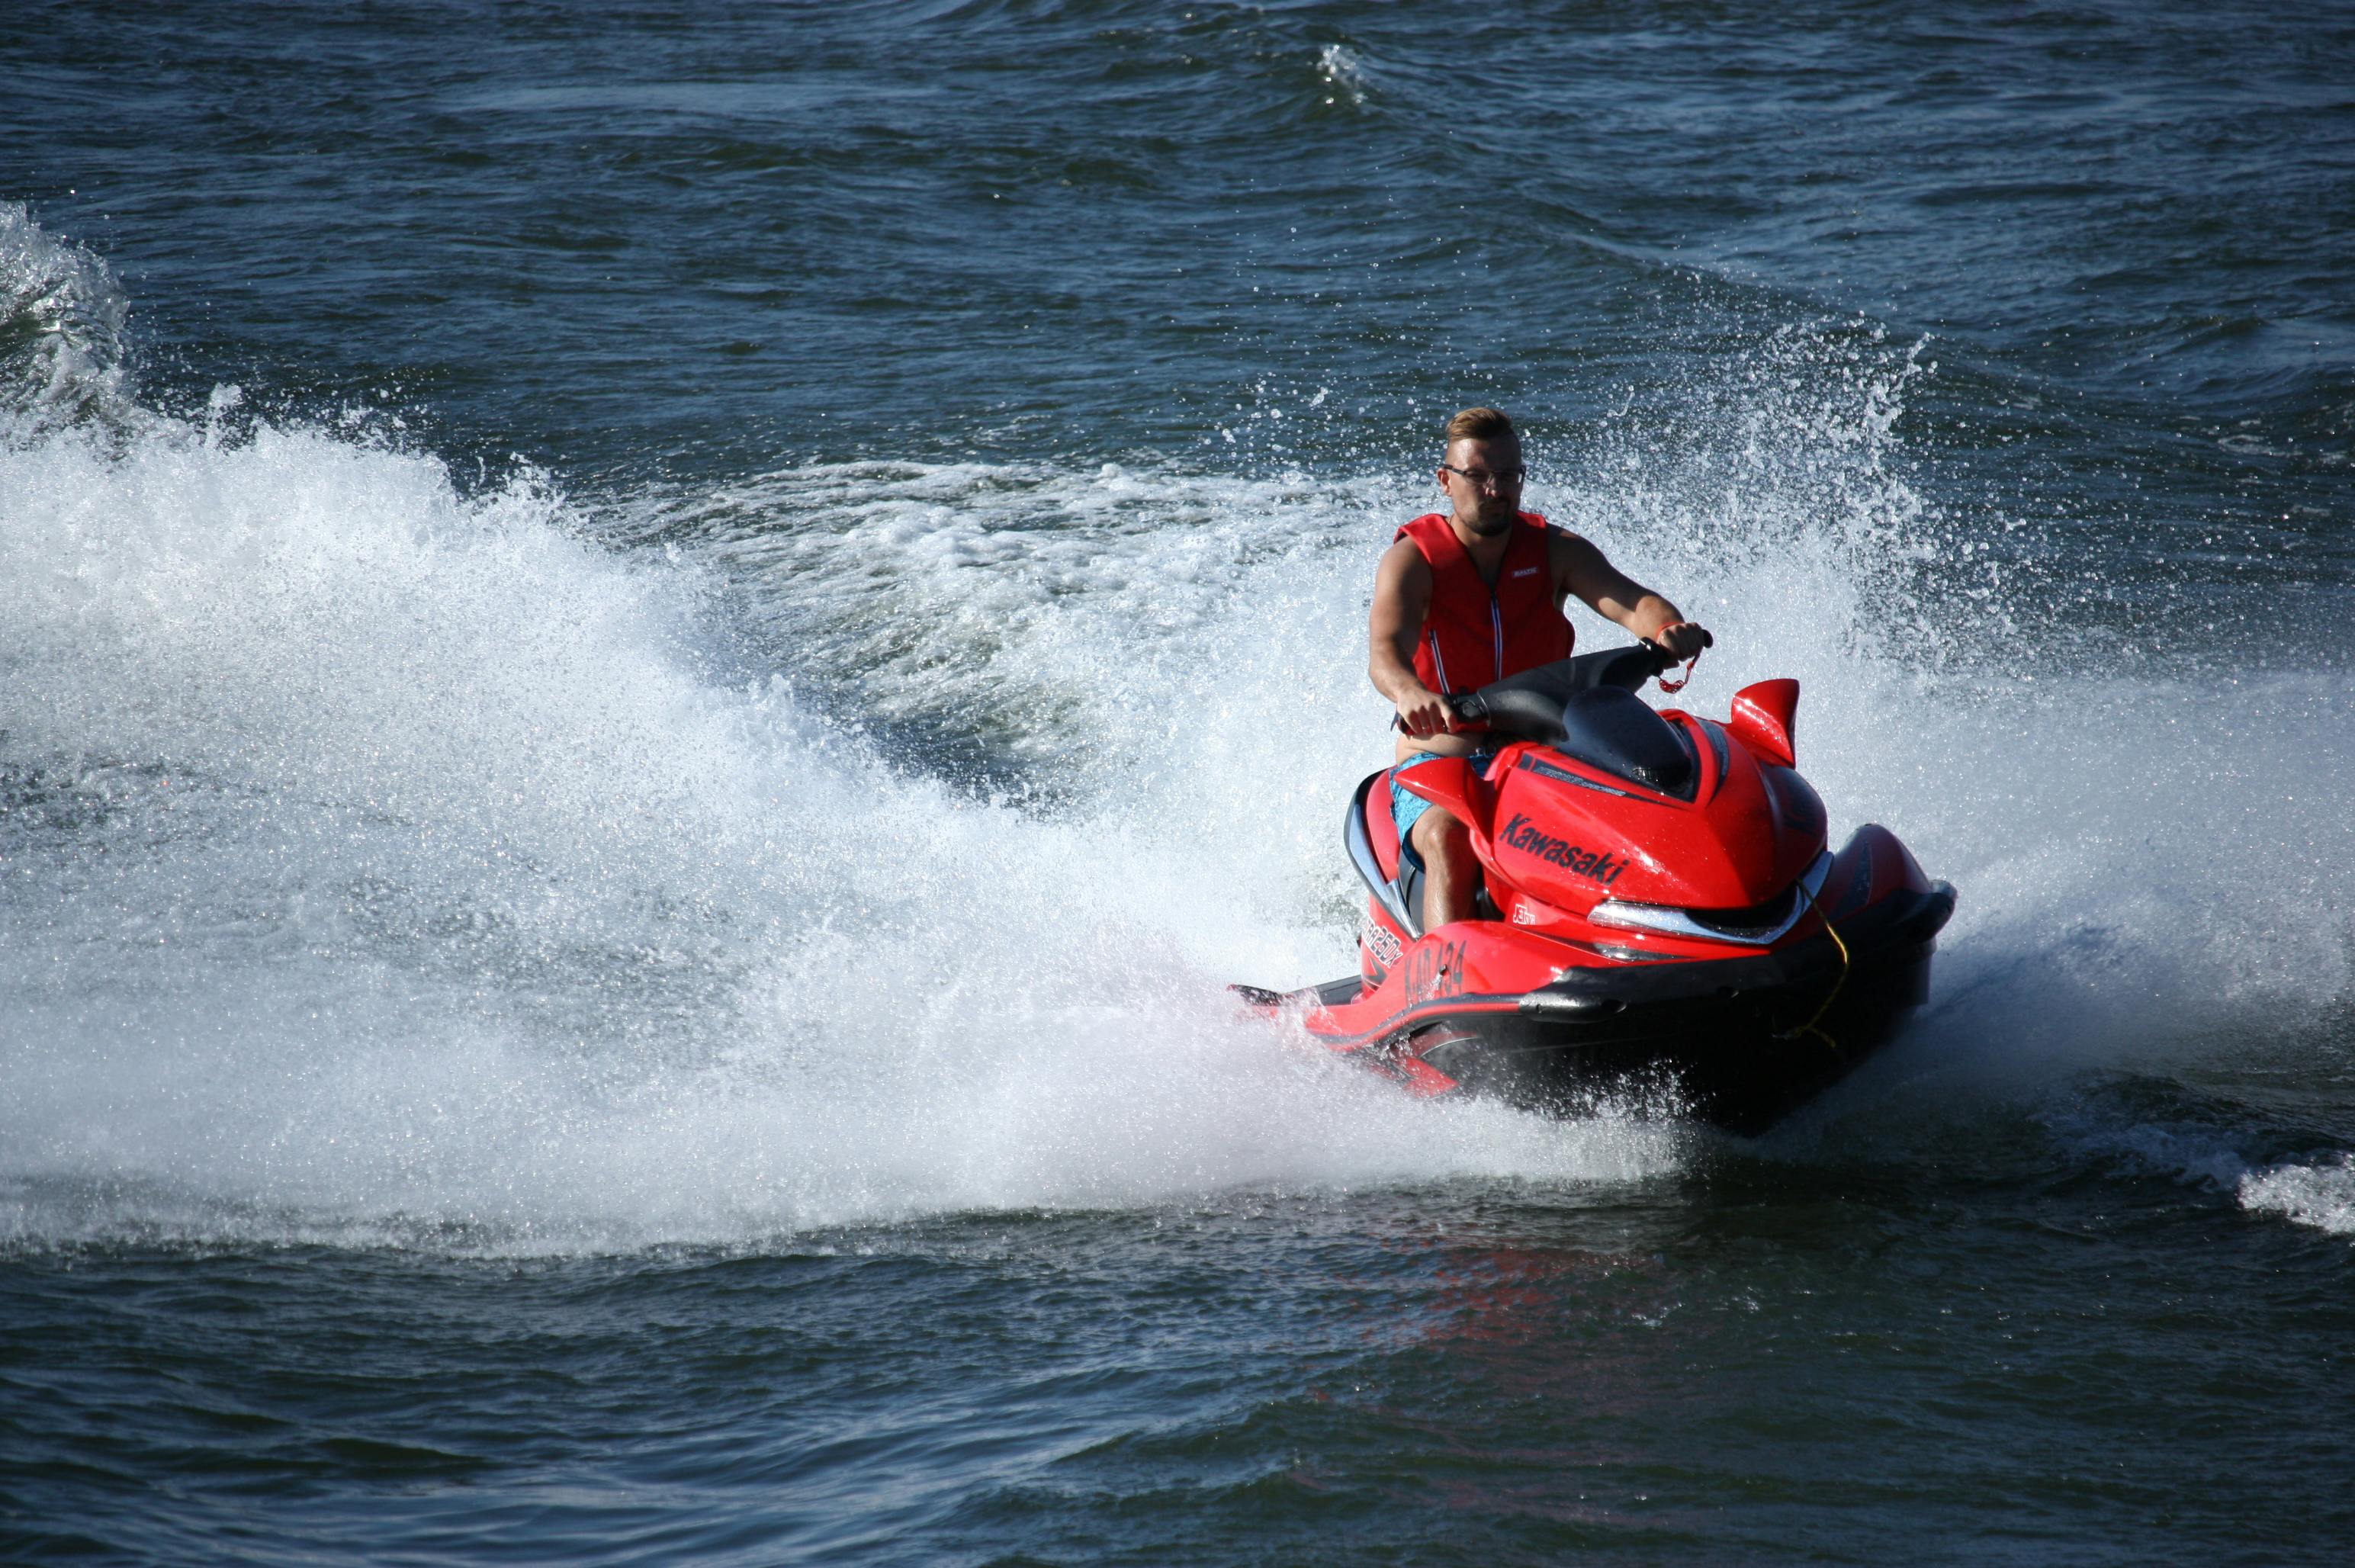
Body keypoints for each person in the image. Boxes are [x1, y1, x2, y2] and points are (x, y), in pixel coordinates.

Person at [1368, 406, 1708, 932]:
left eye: (1508, 476)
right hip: (1442, 762)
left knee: (1642, 807)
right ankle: (1446, 979)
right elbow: (1386, 652)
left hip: (1543, 750)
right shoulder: (1414, 562)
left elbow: (1632, 602)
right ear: (1445, 481)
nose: (1494, 489)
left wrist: (1667, 629)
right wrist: (1410, 692)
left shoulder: (1554, 551)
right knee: (1448, 835)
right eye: (1477, 476)